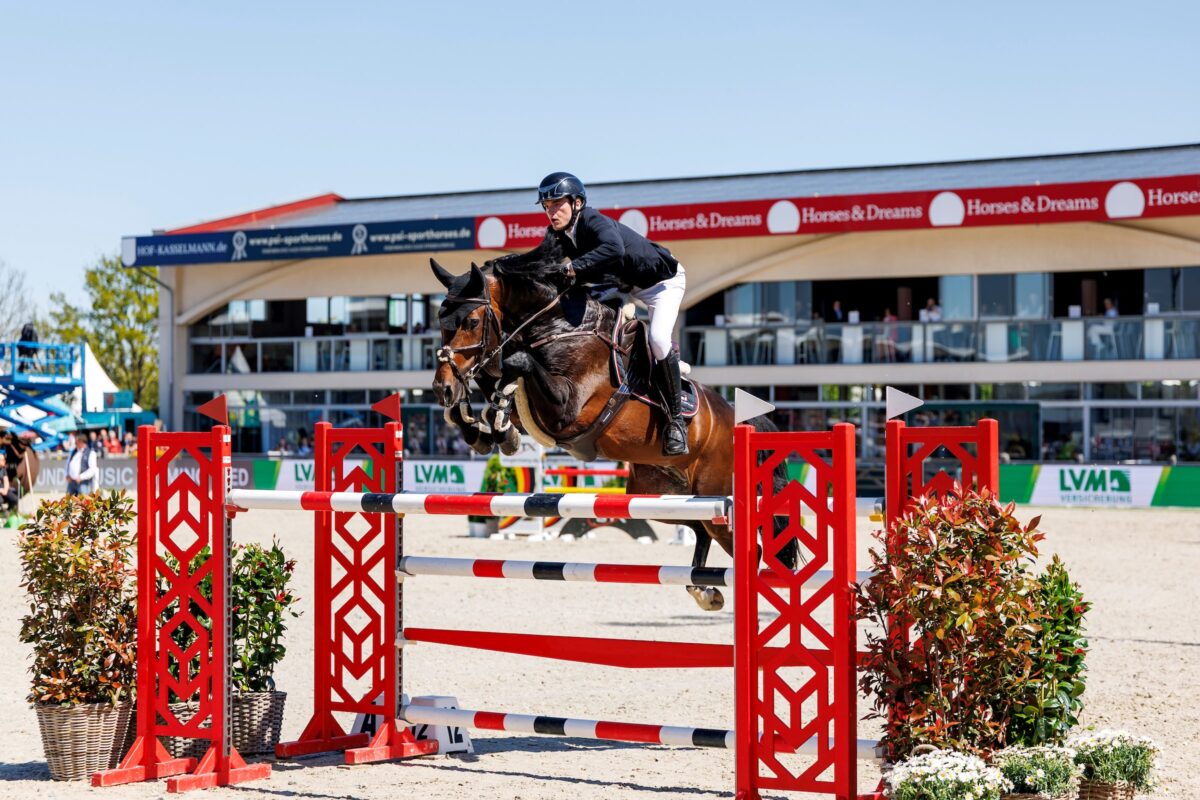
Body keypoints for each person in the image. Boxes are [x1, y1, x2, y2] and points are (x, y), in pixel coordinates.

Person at [531, 171, 690, 455]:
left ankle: (676, 421)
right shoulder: (557, 233)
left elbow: (613, 249)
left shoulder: (593, 220)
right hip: (620, 285)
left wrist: (572, 268)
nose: (551, 212)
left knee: (658, 340)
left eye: (557, 204)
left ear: (577, 202)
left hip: (661, 284)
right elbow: (543, 262)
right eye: (546, 206)